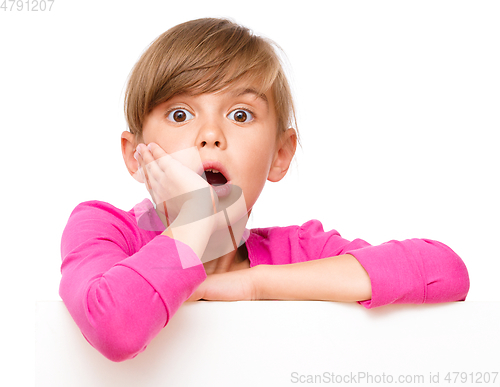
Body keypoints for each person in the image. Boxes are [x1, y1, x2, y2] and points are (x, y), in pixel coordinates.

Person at [59, 17, 470, 362]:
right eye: (181, 113)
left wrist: (256, 284)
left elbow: (445, 272)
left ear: (279, 154)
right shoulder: (104, 228)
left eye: (240, 114)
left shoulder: (299, 252)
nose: (210, 135)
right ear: (135, 156)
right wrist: (194, 223)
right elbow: (114, 327)